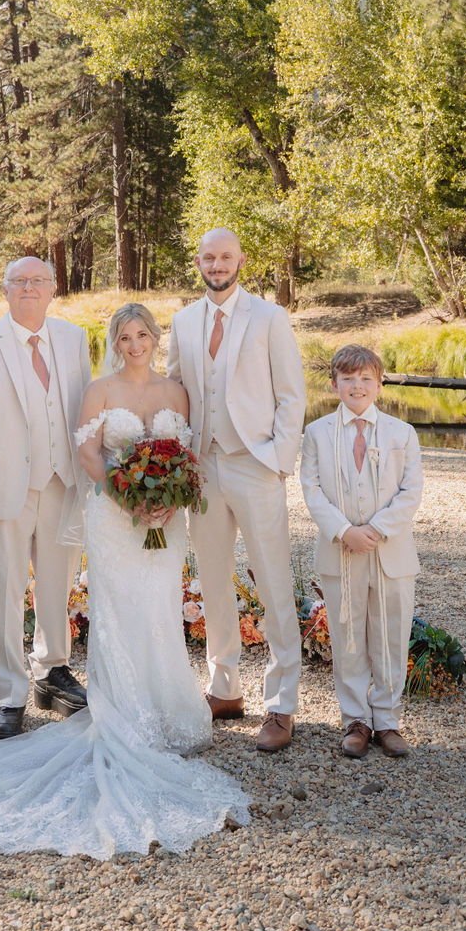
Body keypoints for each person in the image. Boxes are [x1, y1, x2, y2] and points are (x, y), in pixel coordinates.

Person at [0, 302, 249, 859]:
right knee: (118, 612)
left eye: (143, 335)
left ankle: (165, 709)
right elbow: (87, 451)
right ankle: (118, 711)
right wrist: (129, 492)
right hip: (115, 517)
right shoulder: (100, 389)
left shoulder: (177, 393)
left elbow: (184, 454)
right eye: (125, 335)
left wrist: (167, 499)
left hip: (165, 523)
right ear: (115, 341)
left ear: (155, 339)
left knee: (160, 610)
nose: (135, 344)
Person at [167, 227, 306, 753]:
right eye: (209, 256)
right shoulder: (182, 321)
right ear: (198, 261)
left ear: (240, 260)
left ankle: (282, 703)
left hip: (255, 464)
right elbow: (177, 391)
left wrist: (276, 460)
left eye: (226, 256)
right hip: (202, 467)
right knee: (213, 581)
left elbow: (293, 396)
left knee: (272, 579)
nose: (217, 264)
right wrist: (177, 460)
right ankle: (224, 688)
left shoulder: (269, 317)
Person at [0, 257, 92, 740]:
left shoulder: (74, 340)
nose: (29, 288)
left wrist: (92, 480)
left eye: (39, 281)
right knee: (6, 592)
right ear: (6, 290)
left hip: (62, 483)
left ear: (53, 289)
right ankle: (9, 693)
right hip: (3, 488)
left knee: (57, 585)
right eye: (20, 282)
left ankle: (52, 672)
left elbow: (85, 414)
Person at [299, 343, 423, 759]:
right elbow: (312, 490)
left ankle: (387, 720)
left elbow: (411, 491)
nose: (357, 386)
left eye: (365, 378)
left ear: (380, 384)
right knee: (348, 634)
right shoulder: (316, 433)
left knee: (390, 635)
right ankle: (355, 719)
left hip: (390, 553)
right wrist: (343, 531)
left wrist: (375, 529)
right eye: (348, 379)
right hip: (341, 551)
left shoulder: (401, 433)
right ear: (334, 384)